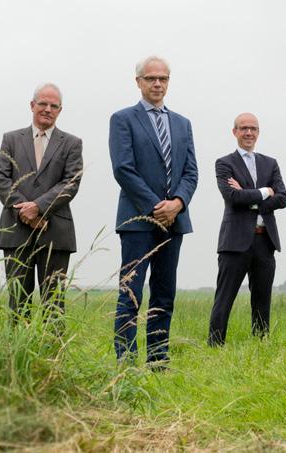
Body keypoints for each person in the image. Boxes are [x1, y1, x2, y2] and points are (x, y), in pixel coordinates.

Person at [109, 56, 198, 366]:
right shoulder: (123, 119)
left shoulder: (182, 123)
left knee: (164, 296)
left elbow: (191, 172)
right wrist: (154, 207)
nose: (157, 83)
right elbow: (123, 169)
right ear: (138, 82)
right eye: (151, 78)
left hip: (174, 223)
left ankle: (158, 362)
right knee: (130, 295)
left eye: (163, 78)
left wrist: (177, 203)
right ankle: (127, 363)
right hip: (137, 222)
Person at [0, 83, 83, 323]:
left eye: (54, 106)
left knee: (53, 305)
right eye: (42, 103)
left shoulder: (72, 143)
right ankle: (19, 358)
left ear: (60, 110)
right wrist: (25, 210)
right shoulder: (11, 139)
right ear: (32, 105)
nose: (47, 109)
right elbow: (1, 178)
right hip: (16, 230)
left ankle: (53, 358)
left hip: (55, 232)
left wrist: (39, 207)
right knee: (18, 302)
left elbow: (71, 182)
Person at [208, 113, 286, 346]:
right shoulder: (224, 163)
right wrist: (264, 192)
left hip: (265, 241)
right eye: (243, 128)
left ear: (258, 132)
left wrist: (248, 195)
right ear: (235, 132)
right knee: (224, 298)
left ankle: (261, 345)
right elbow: (232, 197)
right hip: (235, 243)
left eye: (253, 128)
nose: (248, 133)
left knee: (262, 299)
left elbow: (282, 198)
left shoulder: (270, 163)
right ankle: (214, 346)